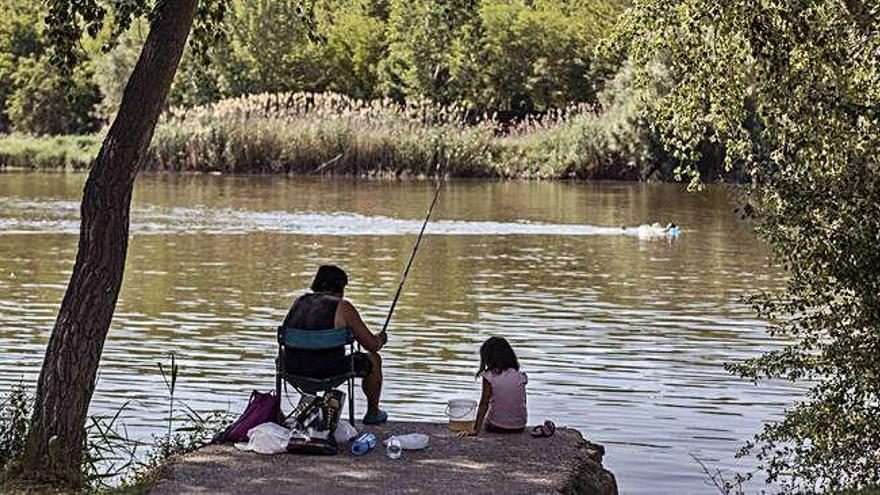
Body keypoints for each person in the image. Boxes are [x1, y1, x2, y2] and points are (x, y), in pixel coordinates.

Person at [282, 264, 389, 424]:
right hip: (329, 372)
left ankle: (310, 403)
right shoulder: (342, 306)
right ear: (341, 286)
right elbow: (371, 345)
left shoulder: (298, 302)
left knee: (304, 355)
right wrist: (380, 339)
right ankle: (373, 413)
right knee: (373, 358)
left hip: (292, 369)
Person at [460, 336, 528, 436]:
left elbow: (484, 403)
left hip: (496, 426)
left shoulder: (489, 376)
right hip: (520, 426)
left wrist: (476, 429)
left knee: (488, 417)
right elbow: (522, 401)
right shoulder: (520, 376)